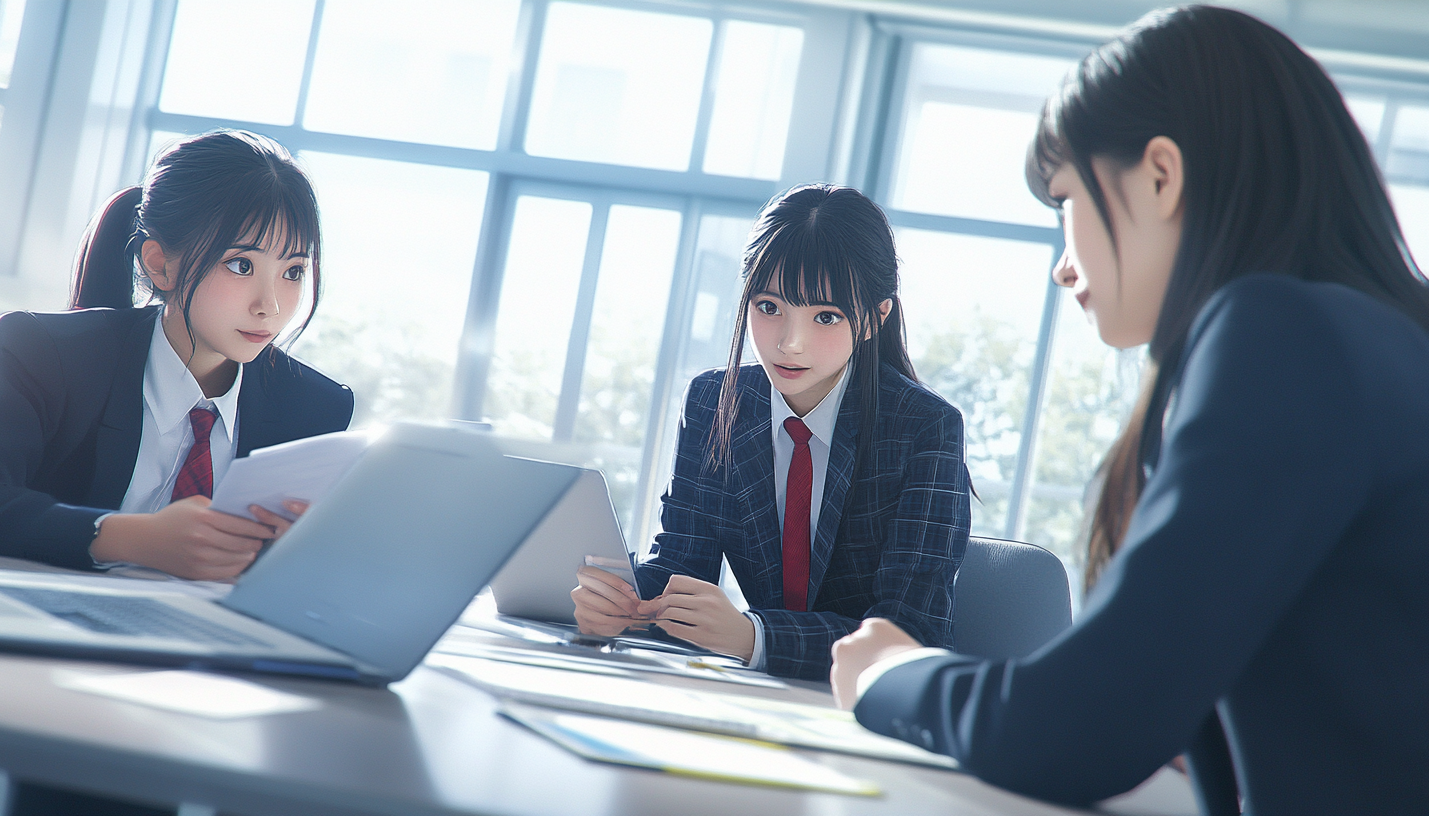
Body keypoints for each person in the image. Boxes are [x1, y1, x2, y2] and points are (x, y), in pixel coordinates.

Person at [830, 6, 1429, 815]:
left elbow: (1076, 730)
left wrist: (888, 674)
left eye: (1066, 197)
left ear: (1160, 175)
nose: (1064, 268)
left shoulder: (1282, 334)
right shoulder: (1383, 341)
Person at [572, 183, 971, 680]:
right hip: (751, 697)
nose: (789, 342)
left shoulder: (923, 429)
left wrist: (752, 637)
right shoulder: (716, 403)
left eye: (825, 316)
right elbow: (680, 567)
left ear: (875, 318)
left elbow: (911, 634)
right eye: (768, 307)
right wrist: (622, 604)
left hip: (866, 711)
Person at [0, 129, 353, 580]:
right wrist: (130, 538)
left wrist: (308, 551)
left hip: (209, 640)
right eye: (241, 265)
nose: (269, 306)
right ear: (159, 263)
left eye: (293, 271)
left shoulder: (313, 407)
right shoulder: (49, 353)